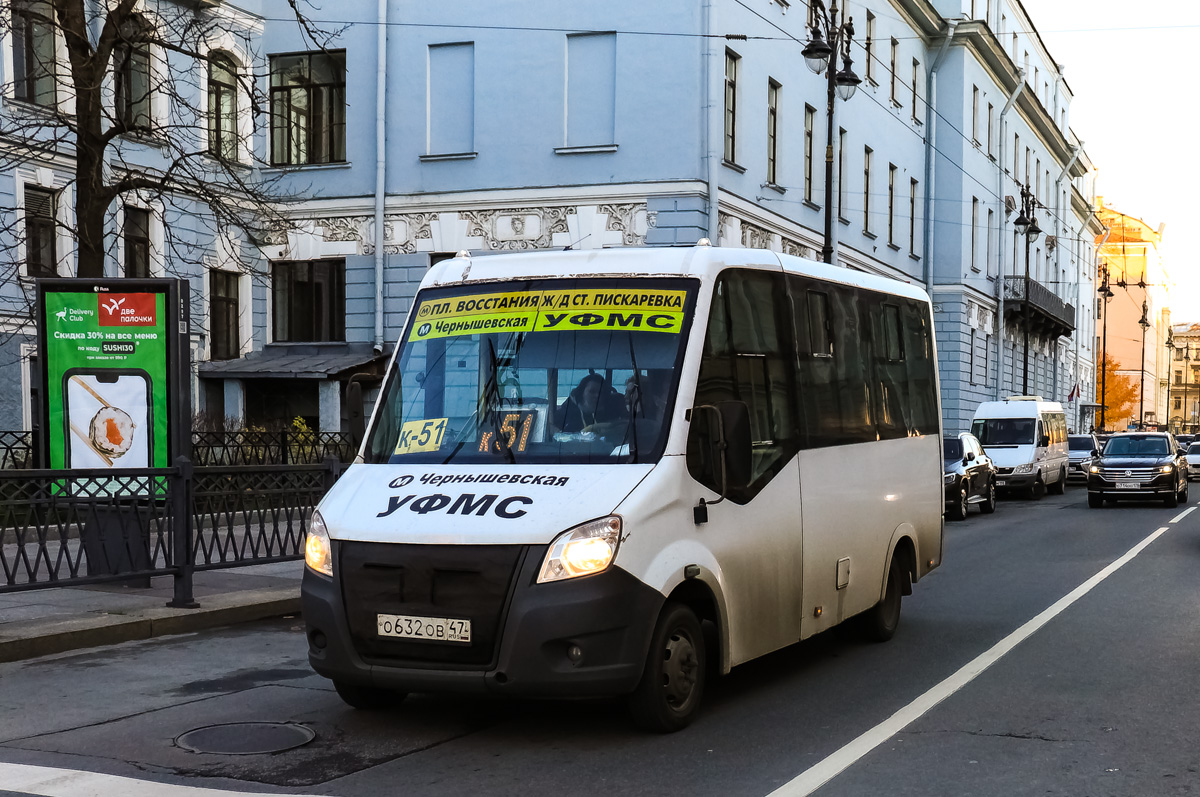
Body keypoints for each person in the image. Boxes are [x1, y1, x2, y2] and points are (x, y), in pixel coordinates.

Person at [556, 374, 622, 433]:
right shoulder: (567, 412)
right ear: (582, 393)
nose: (597, 395)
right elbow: (554, 431)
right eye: (592, 391)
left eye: (601, 392)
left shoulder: (613, 411)